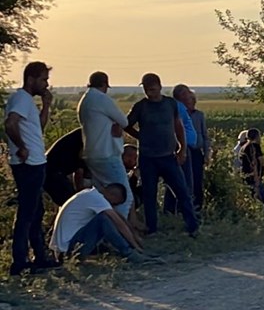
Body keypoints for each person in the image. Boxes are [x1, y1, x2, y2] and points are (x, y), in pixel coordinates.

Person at [125, 72, 198, 237]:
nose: (148, 92)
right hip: (148, 158)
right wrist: (139, 136)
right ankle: (152, 230)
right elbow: (126, 124)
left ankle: (193, 227)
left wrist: (182, 148)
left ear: (159, 86)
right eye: (145, 89)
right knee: (149, 195)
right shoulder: (141, 106)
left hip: (168, 156)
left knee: (182, 192)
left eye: (151, 88)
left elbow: (178, 126)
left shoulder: (170, 104)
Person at [5, 61, 57, 275]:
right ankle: (20, 261)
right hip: (28, 164)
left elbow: (39, 128)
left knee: (35, 211)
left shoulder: (27, 101)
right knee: (28, 212)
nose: (46, 83)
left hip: (36, 161)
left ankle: (38, 257)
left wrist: (46, 106)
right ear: (31, 79)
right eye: (43, 79)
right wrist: (21, 147)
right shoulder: (21, 99)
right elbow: (10, 124)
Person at [48, 184, 159, 264]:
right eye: (114, 203)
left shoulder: (89, 194)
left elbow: (118, 216)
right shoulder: (96, 198)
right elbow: (118, 222)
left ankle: (122, 250)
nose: (113, 206)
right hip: (68, 251)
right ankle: (129, 253)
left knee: (106, 220)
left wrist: (134, 237)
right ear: (111, 194)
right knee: (103, 220)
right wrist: (134, 246)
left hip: (63, 249)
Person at [78, 71, 132, 217]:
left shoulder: (85, 100)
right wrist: (117, 124)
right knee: (123, 197)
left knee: (102, 198)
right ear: (104, 84)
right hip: (107, 154)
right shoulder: (101, 99)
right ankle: (120, 232)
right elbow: (124, 121)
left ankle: (103, 232)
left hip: (91, 154)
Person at [163, 84, 198, 215]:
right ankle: (183, 213)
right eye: (187, 93)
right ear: (181, 95)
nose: (190, 95)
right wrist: (181, 146)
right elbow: (177, 127)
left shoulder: (181, 107)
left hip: (185, 146)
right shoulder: (178, 107)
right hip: (183, 147)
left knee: (177, 180)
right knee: (184, 182)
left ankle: (173, 211)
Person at [43, 127, 86, 207]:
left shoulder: (83, 134)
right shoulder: (85, 137)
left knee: (68, 203)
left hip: (51, 170)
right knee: (71, 204)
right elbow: (79, 172)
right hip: (52, 172)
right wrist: (81, 195)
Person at [184, 90, 210, 206]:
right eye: (187, 100)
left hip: (196, 152)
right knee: (184, 181)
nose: (190, 102)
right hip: (184, 151)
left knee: (197, 181)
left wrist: (206, 154)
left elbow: (205, 136)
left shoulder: (199, 115)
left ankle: (198, 207)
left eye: (191, 99)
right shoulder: (179, 115)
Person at [239, 128, 264, 206]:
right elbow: (261, 161)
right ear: (257, 136)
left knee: (251, 197)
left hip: (246, 176)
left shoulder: (243, 147)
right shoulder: (255, 146)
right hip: (254, 177)